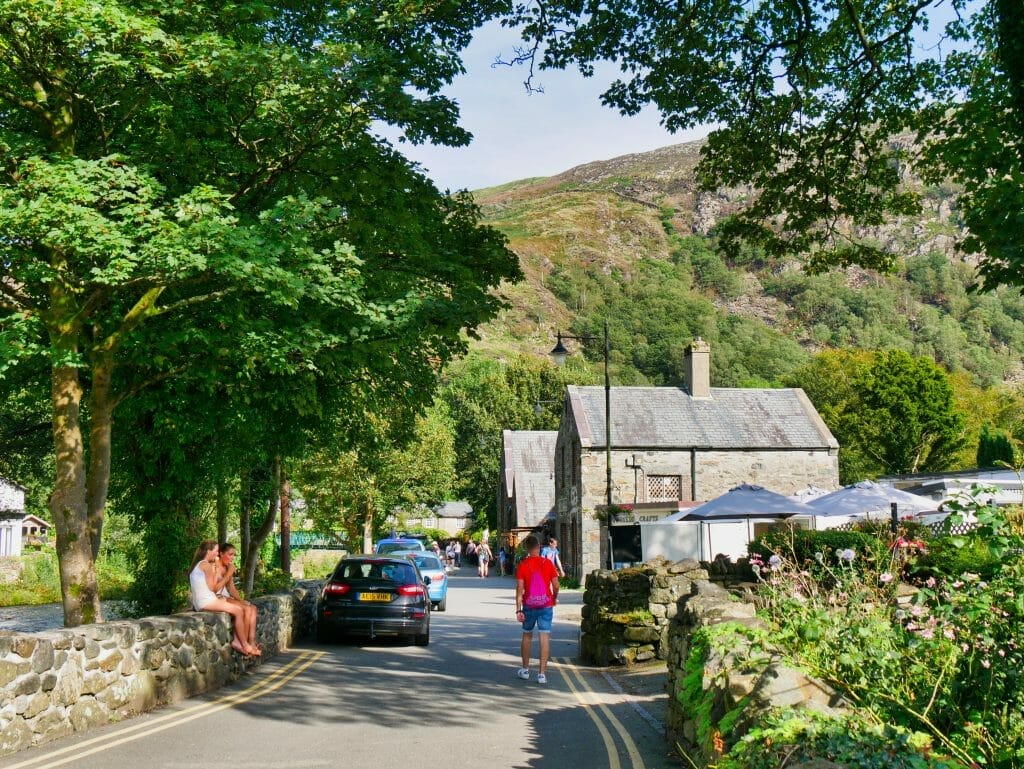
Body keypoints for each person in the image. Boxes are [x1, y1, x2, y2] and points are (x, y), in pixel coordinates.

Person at [188, 540, 259, 656]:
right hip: (207, 601)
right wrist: (224, 573)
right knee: (239, 610)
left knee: (244, 609)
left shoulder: (202, 564)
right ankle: (242, 644)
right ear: (208, 551)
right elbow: (213, 588)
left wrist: (218, 573)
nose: (216, 554)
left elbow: (211, 587)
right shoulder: (205, 564)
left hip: (207, 600)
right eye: (216, 551)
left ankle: (244, 642)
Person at [514, 533, 559, 684]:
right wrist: (554, 597)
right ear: (539, 547)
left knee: (527, 636)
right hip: (546, 605)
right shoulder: (548, 564)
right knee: (544, 637)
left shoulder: (523, 565)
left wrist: (518, 609)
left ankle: (525, 670)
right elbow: (556, 585)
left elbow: (520, 590)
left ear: (527, 549)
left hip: (529, 605)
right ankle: (541, 675)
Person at [215, 542, 260, 655]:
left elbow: (232, 588)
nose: (233, 558)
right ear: (221, 553)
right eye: (230, 554)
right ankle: (240, 643)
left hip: (226, 596)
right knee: (247, 609)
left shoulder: (228, 567)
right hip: (218, 598)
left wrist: (240, 600)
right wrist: (229, 573)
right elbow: (214, 588)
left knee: (252, 607)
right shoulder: (215, 566)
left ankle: (251, 642)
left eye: (234, 555)